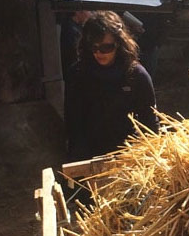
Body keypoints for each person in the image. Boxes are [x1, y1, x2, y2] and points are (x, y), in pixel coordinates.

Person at [64, 10, 159, 161]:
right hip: (90, 151)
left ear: (119, 44)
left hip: (126, 151)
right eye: (93, 47)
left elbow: (150, 120)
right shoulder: (78, 73)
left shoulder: (135, 74)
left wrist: (151, 156)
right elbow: (73, 121)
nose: (99, 53)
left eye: (106, 47)